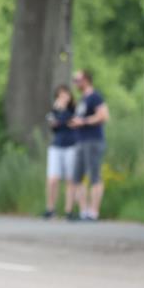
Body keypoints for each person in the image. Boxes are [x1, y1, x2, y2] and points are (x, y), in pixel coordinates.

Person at [70, 69, 109, 221]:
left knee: (94, 176)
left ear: (86, 80)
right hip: (80, 141)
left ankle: (94, 212)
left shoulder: (95, 97)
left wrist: (84, 121)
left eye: (77, 79)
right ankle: (84, 211)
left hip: (93, 141)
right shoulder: (82, 99)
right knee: (77, 177)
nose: (75, 83)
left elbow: (104, 116)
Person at [43, 85, 78, 220]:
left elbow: (72, 122)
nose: (63, 98)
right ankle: (50, 209)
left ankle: (69, 210)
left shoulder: (75, 109)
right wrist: (58, 112)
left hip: (71, 146)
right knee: (52, 179)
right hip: (56, 146)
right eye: (60, 96)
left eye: (66, 95)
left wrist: (62, 113)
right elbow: (53, 124)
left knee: (70, 179)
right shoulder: (53, 111)